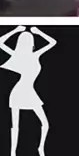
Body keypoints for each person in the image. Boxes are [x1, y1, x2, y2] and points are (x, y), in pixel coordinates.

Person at [0, 24, 56, 156]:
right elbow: (0, 42)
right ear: (32, 44)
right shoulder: (21, 55)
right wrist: (19, 30)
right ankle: (13, 153)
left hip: (29, 92)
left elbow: (53, 42)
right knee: (15, 125)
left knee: (44, 123)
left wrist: (20, 31)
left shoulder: (33, 55)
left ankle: (40, 149)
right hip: (18, 92)